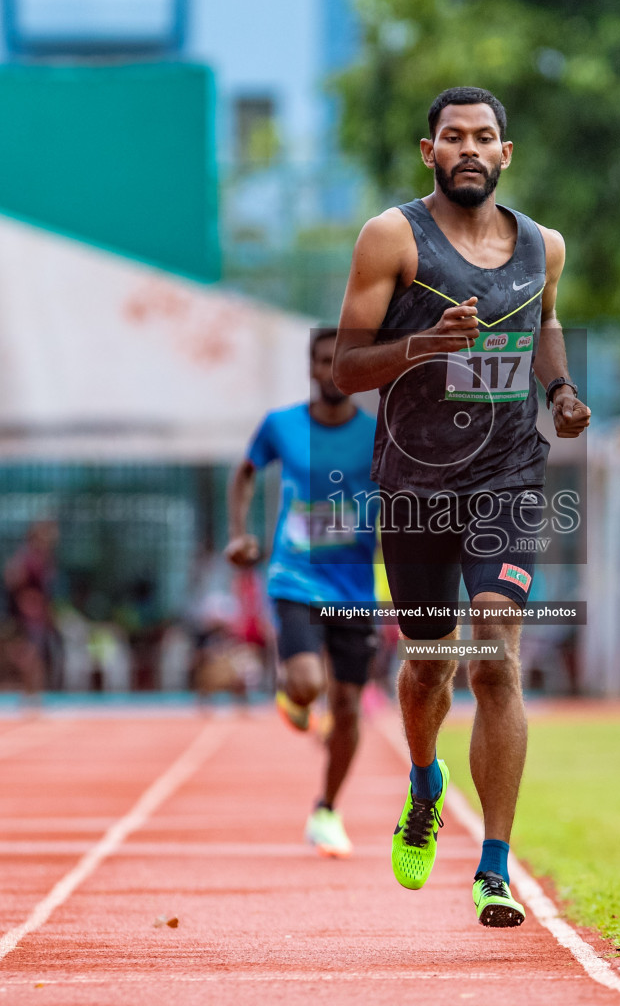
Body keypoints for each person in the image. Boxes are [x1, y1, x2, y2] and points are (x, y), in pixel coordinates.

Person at [332, 86, 591, 927]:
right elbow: (344, 367)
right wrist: (424, 346)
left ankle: (493, 869)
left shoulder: (544, 246)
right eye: (454, 137)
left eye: (484, 136)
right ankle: (423, 779)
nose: (469, 148)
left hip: (508, 478)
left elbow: (545, 324)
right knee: (429, 668)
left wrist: (560, 389)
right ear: (429, 150)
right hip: (415, 482)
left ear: (506, 153)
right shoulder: (390, 237)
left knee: (493, 651)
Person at [225, 329, 380, 858]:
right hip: (295, 576)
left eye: (341, 362)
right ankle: (294, 687)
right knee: (311, 685)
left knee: (350, 709)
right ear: (310, 368)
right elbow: (244, 474)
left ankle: (327, 810)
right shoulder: (281, 426)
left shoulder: (379, 434)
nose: (331, 371)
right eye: (321, 361)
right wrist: (240, 532)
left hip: (356, 587)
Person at [3, 519, 57, 695]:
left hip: (38, 613)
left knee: (37, 654)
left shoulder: (43, 558)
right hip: (30, 613)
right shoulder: (28, 558)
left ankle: (33, 694)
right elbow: (12, 579)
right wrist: (27, 600)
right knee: (32, 655)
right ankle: (29, 693)